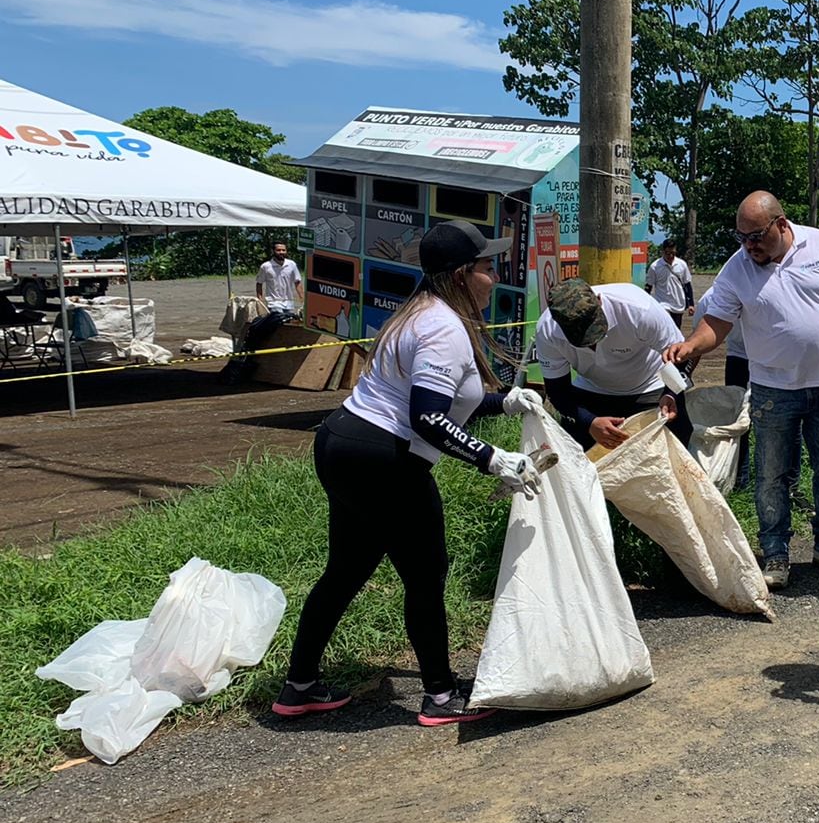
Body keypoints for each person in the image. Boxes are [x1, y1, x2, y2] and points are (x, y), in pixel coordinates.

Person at [273, 221, 553, 727]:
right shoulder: (444, 327)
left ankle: (300, 687)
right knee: (425, 575)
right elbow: (427, 417)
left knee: (346, 570)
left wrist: (504, 402)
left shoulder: (418, 312)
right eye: (488, 268)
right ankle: (441, 696)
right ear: (462, 274)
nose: (495, 278)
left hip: (343, 442)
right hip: (385, 460)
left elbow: (441, 399)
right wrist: (492, 458)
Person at [664, 191, 819, 590]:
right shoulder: (736, 269)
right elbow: (717, 323)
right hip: (773, 391)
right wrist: (692, 345)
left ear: (781, 224)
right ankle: (775, 554)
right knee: (771, 476)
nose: (748, 246)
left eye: (756, 236)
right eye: (741, 237)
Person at [535, 278, 691, 450]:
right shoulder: (547, 330)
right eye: (580, 338)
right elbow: (558, 391)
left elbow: (681, 355)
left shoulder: (639, 309)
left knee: (676, 447)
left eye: (595, 330)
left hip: (651, 386)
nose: (591, 344)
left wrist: (671, 394)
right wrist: (590, 421)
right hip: (591, 389)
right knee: (574, 455)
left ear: (599, 301)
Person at [689, 281, 751, 487]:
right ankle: (740, 479)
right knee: (738, 418)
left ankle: (788, 483)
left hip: (771, 359)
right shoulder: (710, 299)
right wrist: (683, 378)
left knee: (778, 420)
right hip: (738, 357)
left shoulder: (762, 290)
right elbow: (696, 345)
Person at [244, 241, 303, 354]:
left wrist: (302, 298)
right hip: (274, 302)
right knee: (277, 323)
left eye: (283, 250)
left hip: (289, 302)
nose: (281, 252)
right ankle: (272, 347)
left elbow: (297, 282)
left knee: (289, 325)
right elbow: (259, 283)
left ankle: (285, 346)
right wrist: (260, 300)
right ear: (273, 251)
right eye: (278, 250)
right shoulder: (266, 266)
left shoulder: (291, 265)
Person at [645, 240, 694, 328]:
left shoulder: (682, 264)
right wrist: (645, 304)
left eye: (673, 253)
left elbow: (687, 284)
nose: (670, 256)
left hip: (678, 303)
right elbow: (648, 286)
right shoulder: (655, 267)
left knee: (676, 329)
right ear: (663, 252)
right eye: (667, 253)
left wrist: (691, 304)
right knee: (665, 328)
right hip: (662, 304)